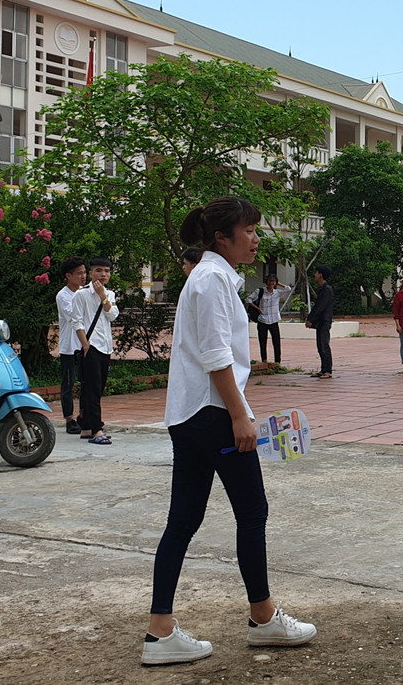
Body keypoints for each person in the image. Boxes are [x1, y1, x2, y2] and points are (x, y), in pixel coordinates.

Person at [143, 197, 316, 666]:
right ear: (222, 237)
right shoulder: (213, 279)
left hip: (191, 414)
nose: (256, 239)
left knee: (183, 521)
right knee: (252, 511)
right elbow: (217, 357)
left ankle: (160, 632)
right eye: (249, 230)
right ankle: (263, 619)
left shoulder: (208, 277)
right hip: (214, 413)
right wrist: (240, 416)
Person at [71, 257, 119, 444]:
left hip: (105, 346)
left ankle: (86, 427)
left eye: (106, 271)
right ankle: (97, 429)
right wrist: (85, 345)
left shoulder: (110, 294)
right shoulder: (81, 294)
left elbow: (112, 315)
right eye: (99, 270)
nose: (103, 274)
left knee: (97, 389)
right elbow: (77, 321)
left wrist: (102, 296)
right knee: (91, 389)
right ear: (90, 273)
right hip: (91, 346)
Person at [56, 257, 86, 435]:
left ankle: (83, 415)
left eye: (84, 272)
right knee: (68, 383)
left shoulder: (85, 292)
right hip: (69, 347)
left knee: (86, 382)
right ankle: (69, 419)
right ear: (68, 276)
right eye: (79, 273)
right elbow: (74, 316)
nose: (83, 276)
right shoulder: (63, 296)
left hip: (85, 345)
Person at [247, 274, 291, 364]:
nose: (271, 283)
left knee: (276, 342)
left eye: (273, 281)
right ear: (266, 282)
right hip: (262, 320)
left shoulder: (277, 292)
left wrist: (279, 284)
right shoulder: (260, 291)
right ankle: (264, 361)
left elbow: (288, 289)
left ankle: (277, 362)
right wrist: (258, 309)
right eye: (270, 281)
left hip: (274, 320)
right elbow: (248, 299)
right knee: (263, 342)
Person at [305, 265, 334, 379]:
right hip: (321, 321)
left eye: (316, 273)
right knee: (320, 346)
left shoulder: (327, 290)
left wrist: (311, 320)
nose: (315, 275)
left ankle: (328, 370)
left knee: (324, 345)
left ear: (321, 275)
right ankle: (323, 369)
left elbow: (320, 307)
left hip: (324, 321)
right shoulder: (323, 289)